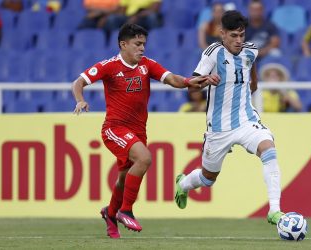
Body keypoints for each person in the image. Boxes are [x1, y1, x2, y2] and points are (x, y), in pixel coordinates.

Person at [72, 23, 214, 238]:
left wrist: (189, 82)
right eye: (137, 44)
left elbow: (173, 79)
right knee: (145, 158)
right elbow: (79, 82)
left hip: (138, 131)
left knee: (123, 178)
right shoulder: (108, 66)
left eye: (144, 44)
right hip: (114, 129)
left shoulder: (147, 65)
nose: (142, 49)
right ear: (123, 44)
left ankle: (110, 214)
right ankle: (125, 210)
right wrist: (80, 100)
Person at [174, 10, 284, 226]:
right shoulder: (212, 53)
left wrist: (249, 87)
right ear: (221, 34)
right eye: (233, 36)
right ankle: (184, 184)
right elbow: (192, 90)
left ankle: (275, 210)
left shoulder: (250, 51)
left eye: (242, 35)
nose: (239, 40)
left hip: (246, 119)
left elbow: (253, 78)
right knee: (207, 178)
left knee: (269, 149)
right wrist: (206, 80)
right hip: (218, 127)